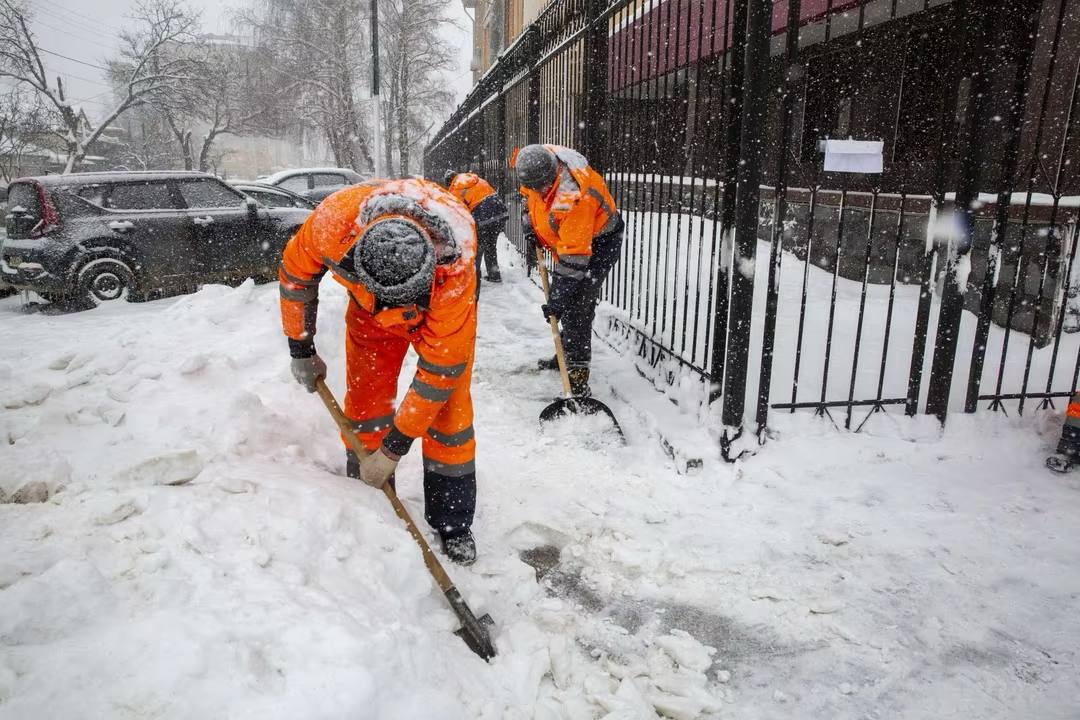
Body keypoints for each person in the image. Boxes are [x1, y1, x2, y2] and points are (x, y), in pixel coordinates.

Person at [278, 177, 480, 565]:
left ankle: (452, 521)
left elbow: (440, 371)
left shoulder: (456, 265)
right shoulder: (333, 224)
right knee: (365, 397)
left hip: (433, 314)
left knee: (448, 414)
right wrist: (300, 345)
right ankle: (368, 493)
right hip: (368, 311)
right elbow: (295, 275)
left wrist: (394, 448)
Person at [512, 144, 624, 396]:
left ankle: (577, 376)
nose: (537, 191)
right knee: (569, 301)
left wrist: (557, 300)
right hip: (573, 242)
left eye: (541, 186)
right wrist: (529, 224)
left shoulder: (572, 195)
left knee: (577, 307)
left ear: (552, 175)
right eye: (533, 186)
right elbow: (527, 199)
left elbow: (574, 258)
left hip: (599, 243)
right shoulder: (538, 171)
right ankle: (565, 354)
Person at [443, 169, 508, 290]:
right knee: (490, 244)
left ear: (449, 182)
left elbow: (458, 213)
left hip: (484, 217)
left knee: (477, 247)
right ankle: (494, 274)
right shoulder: (475, 179)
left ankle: (473, 277)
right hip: (500, 212)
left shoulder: (456, 188)